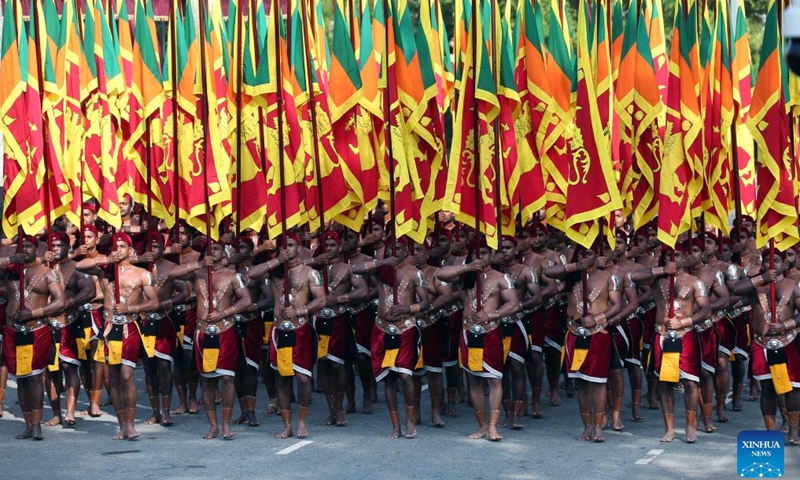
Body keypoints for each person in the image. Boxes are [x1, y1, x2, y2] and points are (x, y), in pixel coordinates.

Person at [76, 232, 159, 440]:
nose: (118, 250)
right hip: (108, 329)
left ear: (130, 250)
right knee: (113, 377)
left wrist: (132, 307)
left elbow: (154, 302)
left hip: (129, 328)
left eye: (122, 247)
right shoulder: (105, 272)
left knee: (126, 376)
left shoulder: (141, 273)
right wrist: (106, 260)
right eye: (116, 247)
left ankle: (131, 424)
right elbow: (80, 266)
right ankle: (121, 425)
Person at [169, 238, 253, 440]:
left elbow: (247, 300)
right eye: (209, 249)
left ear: (224, 253)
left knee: (227, 377)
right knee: (206, 381)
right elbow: (172, 273)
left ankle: (225, 424)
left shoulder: (233, 275)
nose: (212, 252)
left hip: (225, 330)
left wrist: (225, 313)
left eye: (216, 249)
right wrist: (199, 263)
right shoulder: (198, 274)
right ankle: (213, 425)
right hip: (202, 331)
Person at [438, 242, 520, 442]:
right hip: (467, 332)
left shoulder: (502, 278)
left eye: (484, 253)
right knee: (473, 380)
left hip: (490, 332)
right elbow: (441, 275)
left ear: (492, 254)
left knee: (494, 380)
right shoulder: (464, 276)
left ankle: (493, 425)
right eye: (476, 253)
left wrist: (492, 314)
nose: (480, 256)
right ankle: (482, 425)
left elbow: (514, 304)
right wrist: (467, 267)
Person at [247, 232, 326, 439]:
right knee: (282, 378)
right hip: (279, 329)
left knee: (303, 377)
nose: (287, 249)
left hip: (300, 328)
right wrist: (276, 259)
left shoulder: (310, 272)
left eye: (291, 245)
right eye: (283, 245)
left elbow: (321, 300)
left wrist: (300, 311)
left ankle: (301, 421)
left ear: (299, 248)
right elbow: (252, 273)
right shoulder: (275, 271)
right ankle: (287, 424)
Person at [352, 236, 431, 438]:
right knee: (389, 379)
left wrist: (407, 308)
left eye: (398, 248)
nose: (393, 252)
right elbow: (356, 269)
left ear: (406, 251)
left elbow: (425, 303)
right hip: (381, 329)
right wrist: (381, 262)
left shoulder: (415, 273)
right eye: (390, 249)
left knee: (406, 376)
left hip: (405, 328)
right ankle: (395, 425)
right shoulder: (380, 270)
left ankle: (409, 421)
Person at [631, 245, 711, 443]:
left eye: (677, 255)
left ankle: (690, 425)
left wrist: (683, 322)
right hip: (662, 335)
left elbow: (705, 311)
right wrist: (661, 271)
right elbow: (633, 277)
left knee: (690, 382)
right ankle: (669, 428)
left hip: (685, 335)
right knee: (665, 383)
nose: (672, 259)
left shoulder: (695, 282)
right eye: (667, 255)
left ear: (685, 257)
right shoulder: (656, 280)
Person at [545, 243, 623, 442]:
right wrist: (575, 267)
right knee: (581, 383)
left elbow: (617, 304)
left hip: (598, 333)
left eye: (590, 254)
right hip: (574, 333)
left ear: (598, 256)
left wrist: (597, 319)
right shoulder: (572, 276)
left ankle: (598, 427)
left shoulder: (608, 277)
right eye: (582, 254)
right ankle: (587, 427)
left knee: (597, 383)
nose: (586, 257)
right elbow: (548, 271)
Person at [1, 235, 66, 440]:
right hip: (13, 331)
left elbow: (60, 301)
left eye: (29, 246)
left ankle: (37, 425)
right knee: (21, 379)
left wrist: (34, 313)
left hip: (37, 330)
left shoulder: (48, 273)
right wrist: (10, 260)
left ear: (37, 250)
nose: (24, 249)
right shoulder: (10, 273)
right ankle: (28, 425)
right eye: (21, 246)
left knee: (35, 378)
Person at [733, 250, 800, 444]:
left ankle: (793, 430)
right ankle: (770, 431)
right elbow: (736, 289)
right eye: (767, 261)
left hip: (787, 341)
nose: (772, 264)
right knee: (767, 389)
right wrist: (761, 278)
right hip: (761, 344)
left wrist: (784, 325)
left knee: (793, 388)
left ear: (784, 264)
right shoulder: (755, 285)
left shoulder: (794, 286)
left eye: (777, 260)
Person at [313, 230, 369, 426]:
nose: (328, 249)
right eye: (325, 245)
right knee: (323, 365)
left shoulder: (348, 268)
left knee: (338, 363)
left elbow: (363, 290)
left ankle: (341, 406)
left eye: (332, 245)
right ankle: (332, 410)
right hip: (319, 320)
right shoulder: (314, 269)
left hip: (339, 319)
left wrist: (339, 298)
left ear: (339, 247)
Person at [45, 231, 96, 427]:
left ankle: (70, 411)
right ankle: (56, 413)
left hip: (69, 323)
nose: (56, 248)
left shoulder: (76, 267)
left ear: (68, 248)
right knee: (50, 371)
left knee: (69, 367)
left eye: (59, 245)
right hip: (47, 325)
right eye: (53, 245)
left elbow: (89, 291)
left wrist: (67, 303)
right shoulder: (43, 268)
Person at [139, 231, 185, 427]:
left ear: (163, 247)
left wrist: (168, 302)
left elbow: (185, 293)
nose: (152, 250)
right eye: (149, 246)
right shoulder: (138, 267)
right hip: (143, 322)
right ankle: (155, 411)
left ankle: (166, 411)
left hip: (164, 320)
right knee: (149, 368)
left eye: (156, 246)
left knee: (165, 366)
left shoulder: (172, 267)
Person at [497, 235, 542, 429]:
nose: (504, 251)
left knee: (516, 366)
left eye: (507, 248)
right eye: (501, 248)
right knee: (501, 370)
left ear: (515, 250)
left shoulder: (526, 271)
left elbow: (537, 297)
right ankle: (506, 412)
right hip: (496, 323)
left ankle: (516, 413)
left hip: (518, 323)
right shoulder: (492, 272)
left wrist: (518, 306)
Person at [689, 237, 730, 433]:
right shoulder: (674, 277)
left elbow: (724, 299)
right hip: (683, 330)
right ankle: (693, 418)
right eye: (689, 251)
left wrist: (703, 309)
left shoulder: (713, 273)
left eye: (696, 250)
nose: (692, 255)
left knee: (708, 372)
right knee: (690, 377)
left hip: (706, 327)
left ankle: (711, 414)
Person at [169, 223, 201, 415]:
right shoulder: (169, 258)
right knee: (177, 358)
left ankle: (192, 396)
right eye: (175, 234)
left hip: (191, 311)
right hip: (173, 312)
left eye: (183, 233)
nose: (179, 237)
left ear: (190, 235)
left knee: (190, 357)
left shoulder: (198, 257)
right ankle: (181, 400)